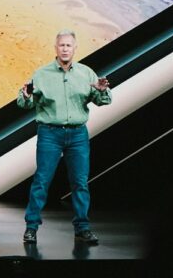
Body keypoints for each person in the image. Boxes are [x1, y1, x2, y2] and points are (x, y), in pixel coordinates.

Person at [17, 29, 111, 245]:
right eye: (62, 45)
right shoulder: (41, 74)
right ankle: (31, 228)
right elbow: (24, 103)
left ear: (75, 48)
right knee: (41, 181)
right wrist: (26, 95)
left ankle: (82, 228)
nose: (65, 49)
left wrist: (102, 90)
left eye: (69, 45)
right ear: (56, 48)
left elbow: (103, 100)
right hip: (50, 133)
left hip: (78, 134)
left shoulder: (86, 73)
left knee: (80, 182)